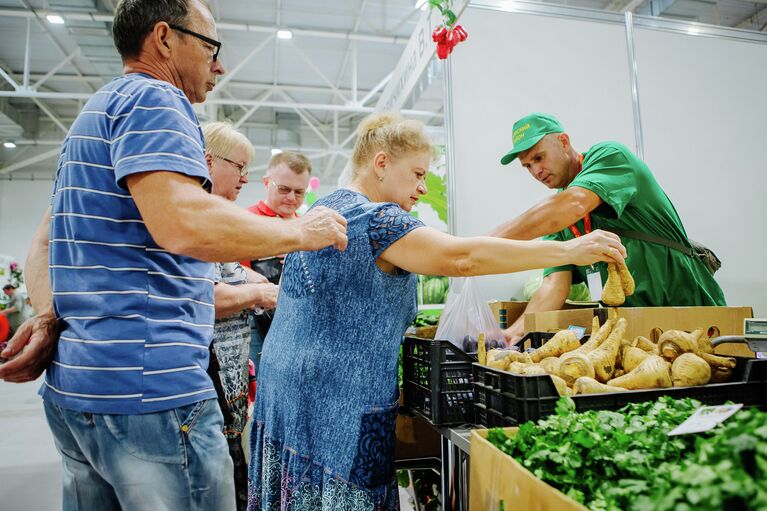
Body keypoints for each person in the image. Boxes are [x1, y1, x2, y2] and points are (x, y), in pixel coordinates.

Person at [0, 1, 347, 510]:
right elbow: (181, 222)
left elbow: (45, 241)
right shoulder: (156, 99)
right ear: (164, 38)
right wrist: (302, 232)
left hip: (78, 391)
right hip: (151, 393)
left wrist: (50, 315)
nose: (219, 65)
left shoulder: (94, 114)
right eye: (211, 48)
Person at [247, 112, 626, 510]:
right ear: (380, 164)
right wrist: (568, 250)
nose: (423, 188)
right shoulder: (378, 219)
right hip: (339, 404)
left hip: (286, 392)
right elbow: (460, 258)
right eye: (417, 174)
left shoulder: (325, 209)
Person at [490, 112, 726, 344]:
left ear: (563, 142)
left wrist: (485, 243)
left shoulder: (610, 157)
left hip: (689, 311)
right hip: (635, 329)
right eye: (527, 166)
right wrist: (513, 333)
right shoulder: (559, 220)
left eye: (539, 158)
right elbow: (554, 286)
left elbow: (575, 203)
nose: (536, 171)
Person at [202, 120, 279, 510]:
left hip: (226, 378)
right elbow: (204, 296)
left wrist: (277, 290)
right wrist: (262, 292)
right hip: (207, 375)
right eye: (240, 167)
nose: (244, 178)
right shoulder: (195, 219)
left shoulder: (214, 215)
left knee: (235, 469)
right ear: (209, 161)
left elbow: (233, 270)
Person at [243, 151, 312, 374]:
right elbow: (226, 270)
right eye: (284, 189)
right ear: (266, 183)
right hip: (255, 323)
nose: (292, 198)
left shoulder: (308, 227)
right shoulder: (246, 221)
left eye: (299, 192)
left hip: (296, 326)